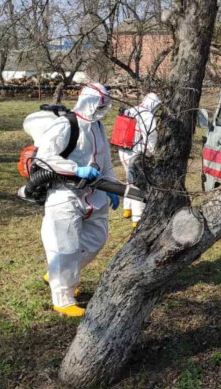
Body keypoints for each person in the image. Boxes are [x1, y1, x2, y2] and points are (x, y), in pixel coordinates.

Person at [37, 83, 120, 317]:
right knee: (65, 248)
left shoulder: (98, 126)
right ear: (89, 102)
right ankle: (63, 300)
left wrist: (112, 185)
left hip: (94, 193)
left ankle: (56, 273)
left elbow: (104, 160)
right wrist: (76, 169)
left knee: (97, 239)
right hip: (65, 193)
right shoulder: (65, 125)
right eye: (100, 105)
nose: (103, 110)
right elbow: (44, 158)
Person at [117, 92, 161, 227]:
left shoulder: (131, 110)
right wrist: (151, 153)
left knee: (129, 180)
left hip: (123, 150)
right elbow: (151, 137)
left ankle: (127, 209)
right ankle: (137, 218)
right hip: (136, 153)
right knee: (138, 184)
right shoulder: (147, 116)